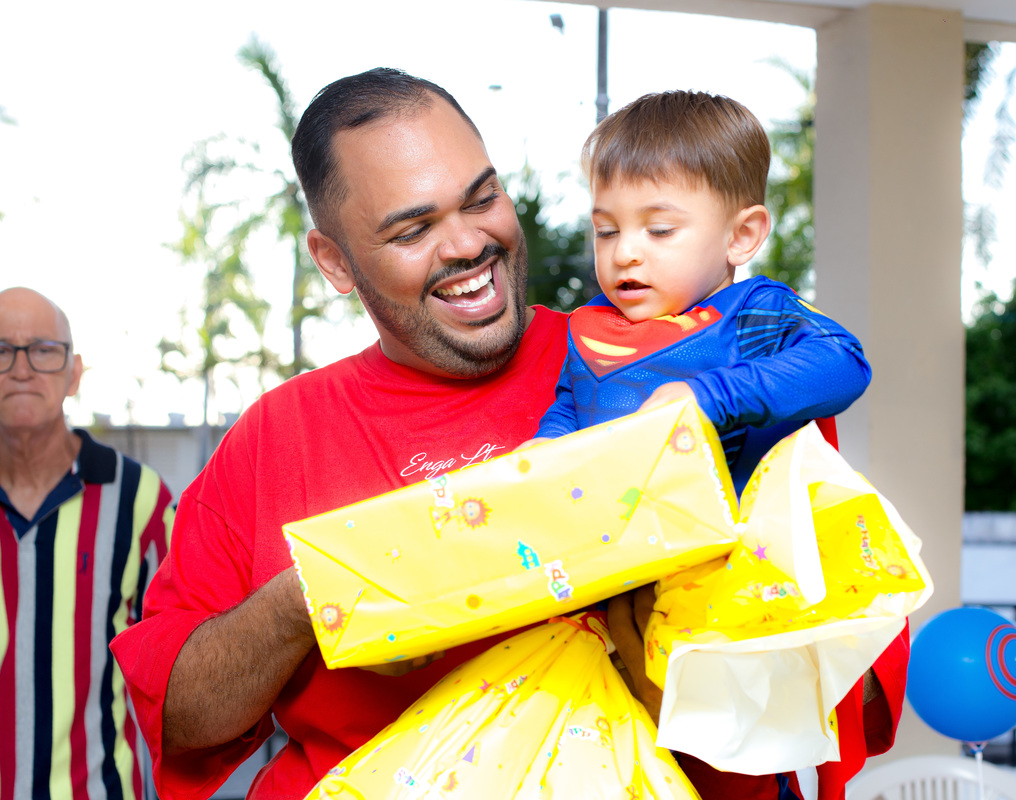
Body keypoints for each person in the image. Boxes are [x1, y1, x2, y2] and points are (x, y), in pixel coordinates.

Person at [111, 69, 907, 800]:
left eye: (481, 198)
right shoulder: (276, 438)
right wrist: (314, 597)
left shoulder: (685, 361)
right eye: (411, 228)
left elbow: (842, 683)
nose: (465, 243)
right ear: (334, 260)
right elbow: (181, 718)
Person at [529, 90, 887, 799]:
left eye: (658, 230)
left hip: (726, 611)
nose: (625, 252)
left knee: (735, 776)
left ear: (741, 236)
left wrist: (710, 396)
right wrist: (529, 476)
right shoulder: (590, 335)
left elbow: (845, 361)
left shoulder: (752, 316)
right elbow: (561, 424)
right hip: (613, 603)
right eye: (606, 231)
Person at [0, 287, 173, 800]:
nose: (21, 368)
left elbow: (184, 658)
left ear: (74, 373)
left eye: (43, 350)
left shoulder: (140, 500)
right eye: (1, 350)